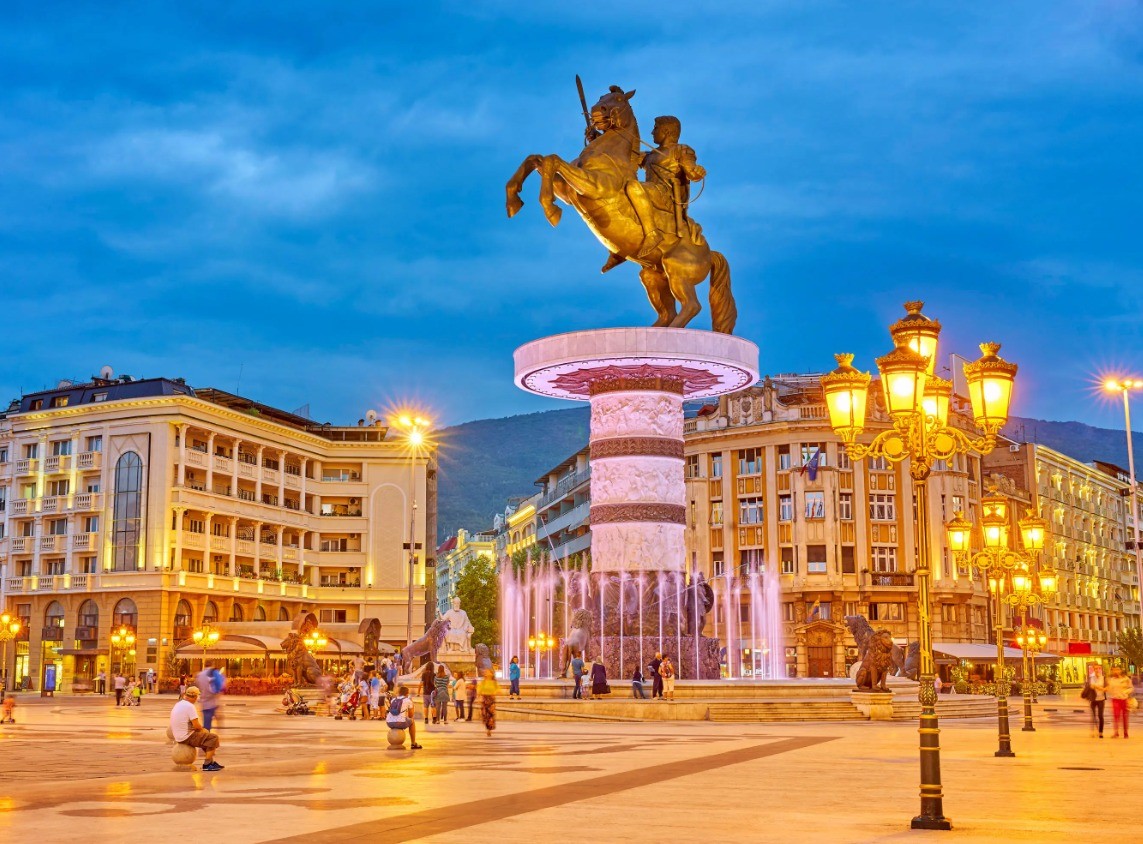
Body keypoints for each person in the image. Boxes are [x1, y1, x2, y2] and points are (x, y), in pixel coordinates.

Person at [600, 115, 707, 272]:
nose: (652, 132)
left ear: (666, 131)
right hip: (651, 192)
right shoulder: (649, 156)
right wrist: (599, 138)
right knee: (620, 189)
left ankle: (652, 234)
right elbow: (622, 158)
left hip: (666, 196)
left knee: (633, 187)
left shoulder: (681, 150)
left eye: (655, 128)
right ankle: (619, 249)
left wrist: (697, 172)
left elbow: (691, 172)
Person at [171, 686, 223, 771]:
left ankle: (211, 761)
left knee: (205, 737)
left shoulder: (179, 704)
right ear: (194, 696)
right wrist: (203, 730)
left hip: (178, 735)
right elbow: (196, 726)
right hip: (186, 737)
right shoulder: (190, 706)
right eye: (197, 697)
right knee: (213, 738)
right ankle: (207, 764)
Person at [386, 684, 422, 749]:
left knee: (398, 720)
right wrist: (412, 704)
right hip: (400, 723)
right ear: (407, 693)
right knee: (412, 722)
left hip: (389, 722)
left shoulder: (393, 700)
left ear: (399, 693)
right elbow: (410, 715)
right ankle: (413, 743)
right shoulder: (408, 700)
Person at [1107, 665, 1135, 738]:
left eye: (1118, 669)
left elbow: (1131, 688)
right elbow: (1109, 689)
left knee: (1125, 717)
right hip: (1115, 700)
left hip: (1124, 700)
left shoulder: (1126, 679)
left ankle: (1126, 732)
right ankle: (1116, 732)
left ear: (1121, 670)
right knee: (1116, 716)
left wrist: (1126, 692)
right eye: (1115, 670)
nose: (1116, 671)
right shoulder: (1112, 679)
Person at [195, 662, 225, 730]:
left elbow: (198, 686)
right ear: (212, 665)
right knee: (216, 715)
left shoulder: (199, 675)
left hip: (204, 702)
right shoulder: (214, 673)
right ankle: (212, 734)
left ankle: (207, 734)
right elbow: (220, 686)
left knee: (206, 723)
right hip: (213, 700)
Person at [1083, 665, 1107, 738]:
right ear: (1093, 669)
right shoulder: (1091, 678)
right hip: (1093, 699)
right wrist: (1099, 687)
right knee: (1093, 716)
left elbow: (1105, 689)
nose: (1097, 670)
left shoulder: (1103, 678)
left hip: (1101, 699)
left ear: (1100, 669)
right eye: (1095, 668)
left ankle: (1100, 732)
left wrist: (1096, 687)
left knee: (1100, 716)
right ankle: (1093, 731)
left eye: (1099, 668)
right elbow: (1090, 686)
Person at [477, 669, 498, 736]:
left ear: (491, 674)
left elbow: (497, 689)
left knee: (491, 715)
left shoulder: (494, 682)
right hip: (485, 699)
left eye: (488, 672)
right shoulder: (483, 682)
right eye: (485, 672)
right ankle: (487, 728)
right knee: (485, 715)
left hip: (491, 699)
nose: (486, 673)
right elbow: (479, 689)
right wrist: (479, 697)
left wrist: (494, 693)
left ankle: (489, 729)